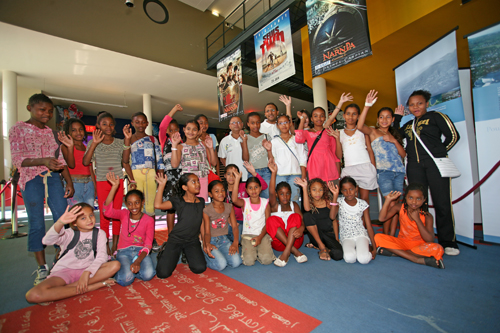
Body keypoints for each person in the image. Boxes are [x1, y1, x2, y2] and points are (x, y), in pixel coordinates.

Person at [9, 93, 75, 285]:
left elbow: (60, 160)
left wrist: (68, 182)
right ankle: (41, 268)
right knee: (37, 222)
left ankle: (62, 259)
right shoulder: (18, 129)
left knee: (62, 218)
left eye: (49, 110)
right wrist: (43, 161)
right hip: (31, 179)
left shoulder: (51, 132)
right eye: (41, 110)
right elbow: (17, 159)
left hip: (55, 178)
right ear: (30, 108)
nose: (46, 114)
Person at [395, 90, 460, 255]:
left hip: (435, 165)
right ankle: (419, 237)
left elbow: (453, 136)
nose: (415, 107)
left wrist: (439, 153)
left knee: (442, 201)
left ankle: (448, 242)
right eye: (412, 104)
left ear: (427, 103)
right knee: (417, 203)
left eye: (419, 103)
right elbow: (395, 134)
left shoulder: (436, 116)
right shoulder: (408, 125)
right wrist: (397, 118)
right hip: (414, 166)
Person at [25, 204, 120, 304]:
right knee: (32, 295)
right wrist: (60, 222)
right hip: (65, 271)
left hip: (87, 270)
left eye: (91, 215)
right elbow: (46, 241)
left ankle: (64, 290)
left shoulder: (100, 233)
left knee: (115, 265)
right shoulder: (68, 233)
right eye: (83, 218)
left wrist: (87, 272)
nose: (89, 220)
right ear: (74, 222)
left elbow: (102, 257)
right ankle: (89, 287)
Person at [83, 112, 133, 256]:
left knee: (116, 213)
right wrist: (94, 143)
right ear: (98, 125)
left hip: (117, 183)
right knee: (105, 215)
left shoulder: (119, 142)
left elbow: (125, 160)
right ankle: (104, 245)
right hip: (102, 182)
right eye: (104, 124)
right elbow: (86, 162)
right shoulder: (94, 142)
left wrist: (127, 140)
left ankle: (115, 245)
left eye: (111, 124)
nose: (108, 127)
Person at [357, 101, 406, 235]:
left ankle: (391, 236)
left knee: (395, 206)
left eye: (388, 117)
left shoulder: (394, 135)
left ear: (393, 119)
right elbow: (360, 126)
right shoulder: (373, 132)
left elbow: (403, 154)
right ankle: (386, 235)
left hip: (399, 172)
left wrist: (394, 141)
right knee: (389, 203)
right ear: (378, 120)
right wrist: (366, 105)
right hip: (384, 173)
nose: (385, 120)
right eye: (382, 117)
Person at [103, 172, 155, 285]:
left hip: (141, 252)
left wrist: (137, 261)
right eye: (130, 204)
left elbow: (148, 245)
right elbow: (107, 212)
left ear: (142, 202)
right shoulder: (124, 214)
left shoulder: (149, 220)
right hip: (124, 252)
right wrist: (114, 187)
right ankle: (124, 269)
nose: (134, 207)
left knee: (148, 274)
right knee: (125, 280)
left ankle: (131, 269)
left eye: (137, 203)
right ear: (126, 204)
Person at [327, 91, 379, 206]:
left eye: (354, 114)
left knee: (365, 200)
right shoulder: (339, 133)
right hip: (349, 169)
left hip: (365, 166)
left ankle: (364, 223)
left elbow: (370, 150)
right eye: (348, 114)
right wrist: (336, 139)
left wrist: (373, 168)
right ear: (344, 115)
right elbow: (339, 156)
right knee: (351, 200)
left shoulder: (363, 131)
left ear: (359, 116)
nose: (351, 117)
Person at [376, 184, 444, 269]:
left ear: (424, 200)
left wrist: (418, 220)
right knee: (378, 237)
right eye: (410, 198)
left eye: (418, 199)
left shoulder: (427, 216)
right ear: (406, 198)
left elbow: (430, 239)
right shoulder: (400, 207)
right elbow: (382, 218)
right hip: (402, 242)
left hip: (419, 246)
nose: (414, 202)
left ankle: (396, 253)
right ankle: (415, 259)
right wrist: (388, 200)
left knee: (438, 248)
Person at [154, 173, 206, 278]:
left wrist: (204, 241)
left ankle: (186, 253)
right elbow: (158, 205)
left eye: (198, 181)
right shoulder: (178, 200)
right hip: (176, 239)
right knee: (163, 273)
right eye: (193, 182)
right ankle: (164, 251)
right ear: (185, 187)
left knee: (199, 268)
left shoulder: (201, 201)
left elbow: (202, 223)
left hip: (192, 240)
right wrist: (161, 185)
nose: (198, 184)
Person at [122, 112, 165, 216]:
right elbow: (125, 160)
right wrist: (131, 179)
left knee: (151, 205)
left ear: (147, 124)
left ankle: (150, 230)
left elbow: (159, 160)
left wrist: (160, 179)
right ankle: (136, 230)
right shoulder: (129, 138)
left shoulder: (152, 139)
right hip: (135, 174)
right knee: (135, 204)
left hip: (151, 174)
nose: (140, 125)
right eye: (137, 122)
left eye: (143, 122)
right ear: (132, 123)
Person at [266, 160, 307, 267]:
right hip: (279, 244)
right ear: (277, 195)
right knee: (270, 220)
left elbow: (302, 222)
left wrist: (301, 229)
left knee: (295, 216)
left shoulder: (294, 205)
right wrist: (274, 173)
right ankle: (293, 252)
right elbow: (270, 192)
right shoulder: (274, 206)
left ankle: (287, 253)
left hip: (295, 241)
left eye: (288, 193)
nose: (285, 196)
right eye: (282, 194)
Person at [231, 170, 274, 266]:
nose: (253, 190)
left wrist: (260, 237)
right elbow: (234, 200)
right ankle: (254, 252)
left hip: (262, 234)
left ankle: (260, 251)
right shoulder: (244, 202)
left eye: (256, 187)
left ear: (260, 188)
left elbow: (268, 223)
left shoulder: (265, 202)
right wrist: (237, 179)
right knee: (249, 262)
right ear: (246, 190)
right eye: (250, 188)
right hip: (248, 236)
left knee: (267, 260)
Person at [295, 177, 343, 261]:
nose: (317, 192)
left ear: (324, 191)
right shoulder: (309, 203)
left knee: (338, 255)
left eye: (320, 190)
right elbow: (306, 208)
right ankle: (321, 246)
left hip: (328, 234)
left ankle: (323, 248)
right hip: (316, 237)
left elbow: (333, 219)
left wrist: (336, 240)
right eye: (314, 190)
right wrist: (304, 187)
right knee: (307, 215)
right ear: (309, 191)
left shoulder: (329, 202)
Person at [332, 177, 377, 264]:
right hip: (346, 236)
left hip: (360, 234)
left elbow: (369, 226)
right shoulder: (339, 202)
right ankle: (357, 248)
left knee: (363, 259)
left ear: (356, 188)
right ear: (341, 191)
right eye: (345, 190)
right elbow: (332, 216)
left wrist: (374, 248)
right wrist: (335, 196)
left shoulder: (362, 204)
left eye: (351, 189)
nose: (348, 193)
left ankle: (367, 246)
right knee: (349, 258)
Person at [264, 114, 306, 205]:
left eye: (286, 122)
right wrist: (269, 150)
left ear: (290, 123)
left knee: (295, 200)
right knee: (281, 201)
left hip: (295, 175)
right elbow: (271, 159)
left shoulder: (296, 140)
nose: (284, 125)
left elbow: (303, 158)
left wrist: (303, 176)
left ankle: (296, 218)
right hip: (280, 175)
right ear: (277, 126)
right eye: (281, 123)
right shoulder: (274, 141)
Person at [170, 120, 216, 201]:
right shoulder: (180, 146)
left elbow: (214, 163)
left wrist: (211, 148)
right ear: (184, 130)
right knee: (188, 205)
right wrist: (174, 145)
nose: (191, 132)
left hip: (202, 180)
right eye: (188, 129)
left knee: (201, 204)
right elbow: (174, 165)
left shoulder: (203, 145)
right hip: (188, 182)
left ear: (198, 131)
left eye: (194, 129)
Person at [202, 180, 242, 271]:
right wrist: (207, 243)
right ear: (210, 194)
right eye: (216, 191)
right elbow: (207, 232)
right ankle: (205, 256)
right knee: (221, 265)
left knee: (236, 262)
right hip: (211, 241)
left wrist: (235, 242)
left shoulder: (229, 207)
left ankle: (220, 254)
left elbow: (235, 227)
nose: (221, 193)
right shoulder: (207, 210)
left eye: (223, 190)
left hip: (224, 240)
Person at [223, 162, 268, 242]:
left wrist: (254, 173)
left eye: (234, 174)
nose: (232, 176)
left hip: (246, 221)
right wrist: (229, 219)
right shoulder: (222, 190)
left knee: (239, 239)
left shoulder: (244, 186)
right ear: (225, 175)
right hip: (230, 220)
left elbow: (264, 186)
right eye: (229, 174)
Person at [295, 107, 340, 184]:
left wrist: (338, 172)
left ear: (325, 118)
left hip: (330, 168)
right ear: (311, 119)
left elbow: (335, 155)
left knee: (331, 194)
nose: (319, 118)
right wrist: (302, 120)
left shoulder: (329, 132)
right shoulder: (308, 133)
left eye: (321, 116)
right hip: (314, 168)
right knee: (315, 193)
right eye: (315, 116)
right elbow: (298, 139)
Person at [60, 118, 96, 207]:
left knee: (89, 211)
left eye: (80, 129)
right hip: (74, 184)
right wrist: (71, 147)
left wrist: (95, 186)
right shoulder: (65, 147)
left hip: (89, 184)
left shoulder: (86, 147)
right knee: (76, 213)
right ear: (68, 132)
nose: (78, 132)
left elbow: (90, 168)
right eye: (74, 130)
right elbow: (71, 165)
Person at [159, 105, 184, 233]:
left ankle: (180, 232)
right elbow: (162, 126)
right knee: (170, 209)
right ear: (167, 132)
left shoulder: (182, 144)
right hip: (169, 179)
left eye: (176, 129)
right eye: (171, 130)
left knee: (182, 207)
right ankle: (170, 233)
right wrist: (174, 110)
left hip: (181, 178)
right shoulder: (164, 142)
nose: (174, 132)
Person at [241, 112, 272, 198]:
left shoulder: (266, 136)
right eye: (252, 123)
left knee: (267, 197)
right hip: (252, 171)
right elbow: (245, 159)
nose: (256, 125)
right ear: (248, 124)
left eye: (258, 122)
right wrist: (244, 141)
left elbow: (271, 157)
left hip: (267, 171)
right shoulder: (245, 138)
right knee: (254, 198)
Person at [218, 116, 247, 181]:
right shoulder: (224, 141)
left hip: (246, 175)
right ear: (230, 126)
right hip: (231, 177)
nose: (236, 124)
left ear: (242, 125)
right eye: (233, 123)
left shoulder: (247, 138)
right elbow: (222, 158)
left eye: (238, 122)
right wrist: (229, 169)